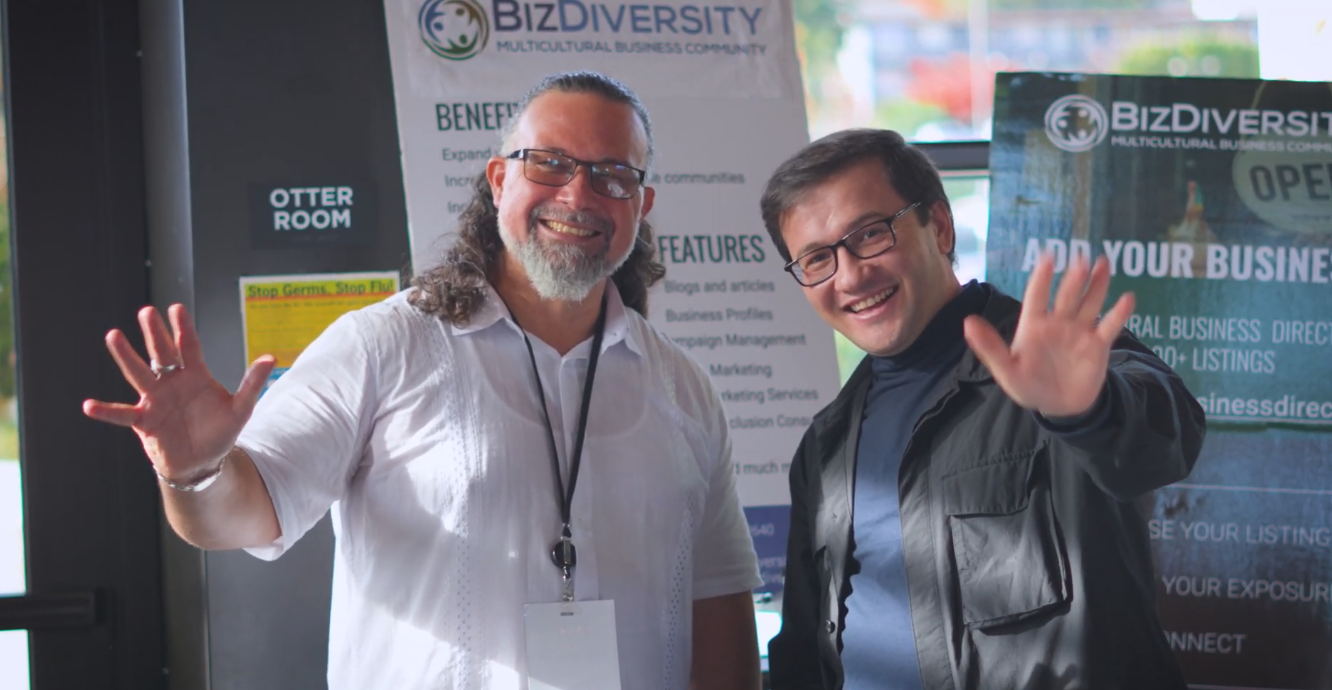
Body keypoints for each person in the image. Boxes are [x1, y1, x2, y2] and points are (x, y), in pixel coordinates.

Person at [83, 71, 762, 690]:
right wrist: (196, 471)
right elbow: (245, 514)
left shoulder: (685, 390)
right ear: (500, 180)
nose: (578, 194)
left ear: (641, 204)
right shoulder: (382, 344)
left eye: (612, 175)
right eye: (550, 163)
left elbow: (719, 608)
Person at [759, 128, 1205, 690]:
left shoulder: (1053, 364)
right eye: (816, 259)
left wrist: (1085, 411)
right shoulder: (825, 444)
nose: (849, 275)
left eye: (870, 234)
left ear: (940, 227)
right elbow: (803, 650)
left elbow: (1162, 443)